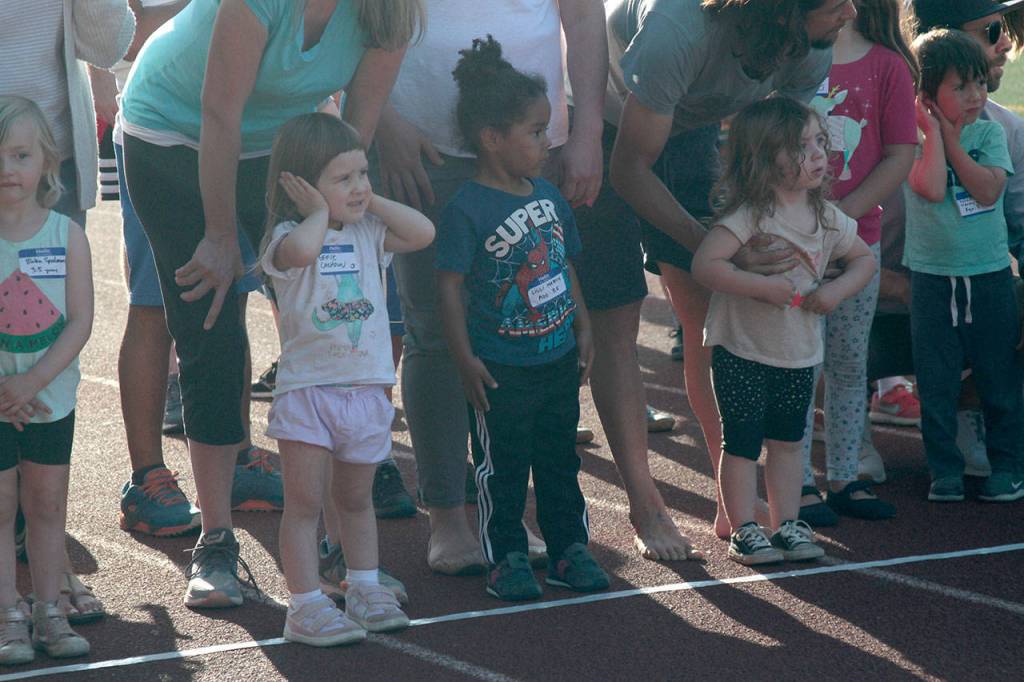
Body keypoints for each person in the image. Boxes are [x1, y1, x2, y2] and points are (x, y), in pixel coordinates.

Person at [119, 0, 425, 609]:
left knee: (331, 321)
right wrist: (220, 233)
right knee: (211, 325)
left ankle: (341, 549)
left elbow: (354, 132)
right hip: (173, 134)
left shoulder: (391, 10)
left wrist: (340, 217)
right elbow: (218, 112)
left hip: (279, 149)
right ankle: (217, 543)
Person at [600, 0, 854, 545]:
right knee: (615, 316)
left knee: (710, 324)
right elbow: (628, 169)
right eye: (837, 2)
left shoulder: (812, 38)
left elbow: (775, 150)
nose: (852, 12)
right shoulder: (680, 28)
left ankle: (731, 502)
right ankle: (645, 505)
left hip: (691, 126)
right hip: (605, 119)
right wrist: (718, 248)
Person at [374, 0, 608, 574]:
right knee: (433, 333)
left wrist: (587, 130)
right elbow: (362, 20)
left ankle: (502, 513)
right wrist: (383, 120)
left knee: (525, 329)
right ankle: (449, 515)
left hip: (531, 144)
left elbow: (582, 18)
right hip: (419, 151)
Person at [436, 37, 610, 601]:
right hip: (501, 368)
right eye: (535, 132)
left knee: (560, 460)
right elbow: (449, 287)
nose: (544, 143)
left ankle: (567, 550)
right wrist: (464, 359)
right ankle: (505, 557)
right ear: (491, 138)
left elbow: (565, 263)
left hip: (556, 357)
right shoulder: (467, 207)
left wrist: (583, 324)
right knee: (502, 469)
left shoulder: (550, 196)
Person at [259, 113, 432, 645]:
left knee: (356, 501)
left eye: (363, 173)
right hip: (308, 395)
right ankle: (305, 605)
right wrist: (318, 211)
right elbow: (305, 252)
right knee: (305, 503)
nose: (359, 186)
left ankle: (363, 586)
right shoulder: (286, 237)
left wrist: (368, 201)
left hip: (366, 392)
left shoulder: (369, 231)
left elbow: (424, 232)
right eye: (344, 178)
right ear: (302, 186)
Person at [692, 96, 876, 565]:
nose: (817, 154)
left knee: (790, 442)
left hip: (799, 353)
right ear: (762, 157)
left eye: (819, 142)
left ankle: (788, 523)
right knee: (742, 442)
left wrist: (835, 294)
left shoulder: (826, 215)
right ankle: (743, 529)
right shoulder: (750, 215)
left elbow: (864, 259)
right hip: (742, 349)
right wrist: (759, 285)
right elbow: (705, 265)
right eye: (800, 146)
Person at [796, 0, 917, 525]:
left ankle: (845, 477)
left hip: (854, 246)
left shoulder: (887, 64)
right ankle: (795, 482)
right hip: (789, 246)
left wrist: (841, 219)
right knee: (797, 369)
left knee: (849, 367)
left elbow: (899, 153)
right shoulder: (790, 56)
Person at [905, 29, 1024, 503]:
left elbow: (987, 190)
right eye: (960, 87)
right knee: (935, 384)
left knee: (998, 378)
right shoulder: (914, 139)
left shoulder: (991, 132)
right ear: (927, 95)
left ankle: (1009, 467)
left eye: (979, 83)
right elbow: (932, 188)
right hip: (932, 279)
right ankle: (944, 471)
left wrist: (954, 141)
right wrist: (935, 134)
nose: (975, 95)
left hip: (989, 275)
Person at [0, 97, 95, 664]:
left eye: (20, 154)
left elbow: (80, 321)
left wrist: (33, 380)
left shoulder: (67, 235)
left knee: (46, 504)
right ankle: (6, 612)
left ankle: (48, 608)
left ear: (46, 161)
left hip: (49, 399)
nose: (7, 168)